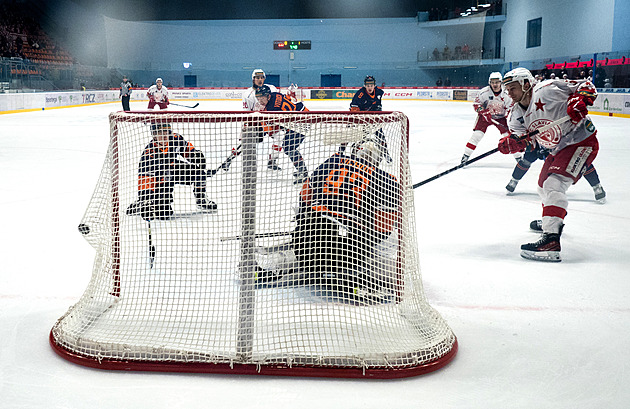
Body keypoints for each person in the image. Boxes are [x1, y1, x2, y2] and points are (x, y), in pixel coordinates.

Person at [255, 136, 401, 299]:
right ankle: (359, 277)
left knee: (309, 224)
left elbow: (304, 198)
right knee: (392, 241)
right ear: (378, 159)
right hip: (347, 256)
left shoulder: (334, 161)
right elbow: (382, 230)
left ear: (354, 152)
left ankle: (276, 264)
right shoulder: (388, 181)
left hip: (306, 247)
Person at [497, 67, 600, 262]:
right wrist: (512, 143)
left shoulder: (547, 89)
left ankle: (551, 240)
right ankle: (551, 221)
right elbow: (523, 139)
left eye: (512, 88)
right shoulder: (515, 116)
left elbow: (586, 86)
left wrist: (582, 99)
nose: (508, 93)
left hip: (581, 139)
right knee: (542, 186)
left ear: (526, 84)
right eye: (507, 89)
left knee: (554, 184)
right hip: (558, 149)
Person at [126, 123, 216, 220]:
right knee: (164, 214)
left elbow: (186, 149)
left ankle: (201, 199)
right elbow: (145, 179)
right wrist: (145, 199)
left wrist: (195, 156)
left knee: (199, 173)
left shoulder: (176, 139)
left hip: (174, 169)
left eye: (166, 133)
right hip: (160, 180)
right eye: (160, 134)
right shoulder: (149, 154)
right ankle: (141, 203)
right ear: (154, 136)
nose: (164, 137)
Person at [255, 84, 309, 184]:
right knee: (289, 147)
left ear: (268, 96)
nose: (260, 101)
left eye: (262, 98)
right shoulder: (275, 95)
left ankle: (304, 173)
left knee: (289, 147)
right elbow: (287, 99)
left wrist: (261, 132)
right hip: (302, 114)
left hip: (300, 122)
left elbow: (273, 129)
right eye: (258, 98)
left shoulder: (271, 109)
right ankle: (302, 170)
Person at [461, 72, 514, 163]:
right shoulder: (484, 92)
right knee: (477, 135)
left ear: (501, 82)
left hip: (500, 118)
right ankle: (465, 156)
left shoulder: (507, 94)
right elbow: (476, 105)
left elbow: (511, 107)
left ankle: (518, 157)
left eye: (497, 82)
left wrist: (507, 115)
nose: (495, 84)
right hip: (484, 118)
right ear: (489, 83)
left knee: (509, 137)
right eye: (492, 82)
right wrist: (484, 112)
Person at [242, 68, 282, 170]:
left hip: (269, 122)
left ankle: (272, 161)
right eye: (257, 78)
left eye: (261, 78)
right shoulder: (248, 94)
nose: (260, 80)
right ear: (253, 79)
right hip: (255, 123)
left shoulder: (271, 88)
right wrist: (246, 126)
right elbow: (247, 112)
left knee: (280, 137)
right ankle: (230, 159)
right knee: (245, 142)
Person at [345, 75, 391, 162]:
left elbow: (378, 104)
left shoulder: (379, 92)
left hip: (373, 119)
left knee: (380, 135)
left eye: (371, 86)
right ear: (364, 86)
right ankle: (341, 151)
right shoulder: (360, 94)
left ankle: (386, 153)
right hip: (360, 119)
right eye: (368, 86)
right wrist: (354, 120)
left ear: (374, 85)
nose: (370, 88)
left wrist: (378, 109)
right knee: (349, 135)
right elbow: (353, 108)